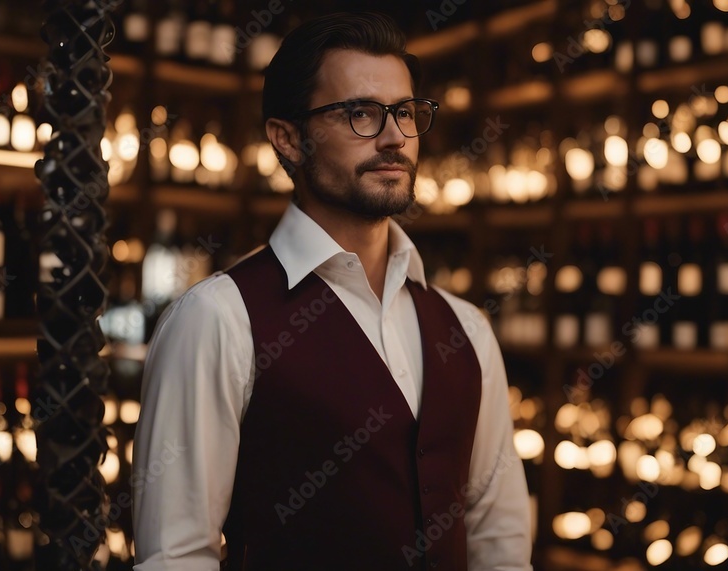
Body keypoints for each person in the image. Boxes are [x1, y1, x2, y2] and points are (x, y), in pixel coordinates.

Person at [132, 11, 532, 571]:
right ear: (288, 139)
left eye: (405, 112)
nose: (395, 137)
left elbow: (500, 545)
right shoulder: (217, 319)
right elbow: (175, 557)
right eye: (360, 113)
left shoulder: (466, 328)